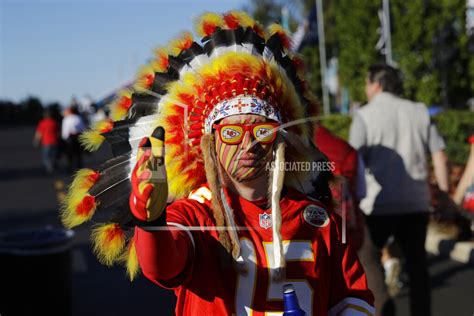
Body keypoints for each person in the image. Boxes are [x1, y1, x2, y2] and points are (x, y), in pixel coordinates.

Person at [61, 11, 374, 315]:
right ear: (210, 146)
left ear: (281, 140)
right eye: (232, 133)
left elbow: (352, 296)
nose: (248, 144)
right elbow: (165, 265)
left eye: (262, 131)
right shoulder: (197, 213)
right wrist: (151, 220)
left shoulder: (317, 219)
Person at [349, 64, 450, 316]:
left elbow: (352, 161)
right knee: (417, 266)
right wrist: (445, 194)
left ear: (376, 84)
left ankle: (384, 305)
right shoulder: (419, 111)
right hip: (415, 201)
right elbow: (439, 154)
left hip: (378, 204)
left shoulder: (364, 115)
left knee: (368, 257)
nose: (365, 88)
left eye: (366, 82)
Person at [33, 108, 59, 173]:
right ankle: (53, 165)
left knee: (46, 157)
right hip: (54, 141)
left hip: (46, 142)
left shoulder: (42, 123)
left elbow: (39, 133)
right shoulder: (54, 122)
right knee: (53, 156)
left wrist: (36, 141)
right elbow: (58, 133)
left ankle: (49, 167)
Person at [61, 106, 86, 170]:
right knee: (78, 153)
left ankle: (70, 167)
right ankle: (79, 167)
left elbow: (65, 129)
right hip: (77, 136)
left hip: (70, 137)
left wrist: (64, 138)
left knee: (70, 154)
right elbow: (82, 128)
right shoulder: (77, 117)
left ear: (69, 111)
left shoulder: (66, 119)